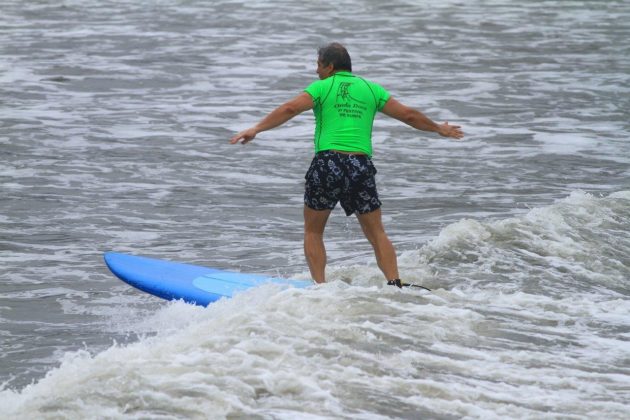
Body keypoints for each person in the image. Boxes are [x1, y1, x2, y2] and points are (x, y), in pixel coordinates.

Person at [230, 42, 463, 287]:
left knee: (313, 231)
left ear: (330, 67)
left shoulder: (322, 87)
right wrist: (439, 129)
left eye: (318, 65)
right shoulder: (371, 89)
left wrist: (256, 128)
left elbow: (290, 108)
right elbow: (409, 115)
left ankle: (320, 287)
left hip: (328, 162)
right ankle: (395, 284)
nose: (316, 71)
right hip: (359, 165)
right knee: (376, 233)